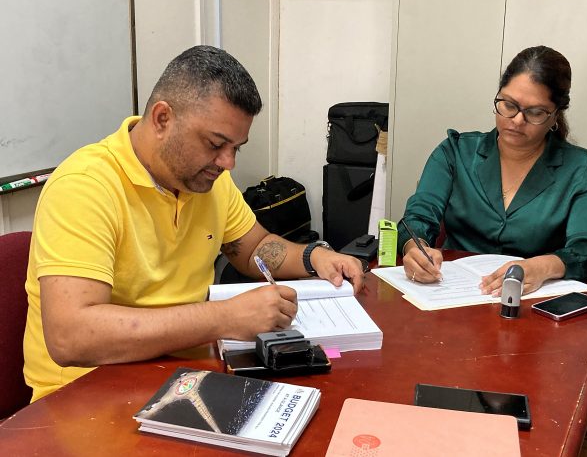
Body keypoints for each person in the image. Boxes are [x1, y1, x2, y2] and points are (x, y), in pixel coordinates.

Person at [23, 45, 364, 401]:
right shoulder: (85, 186)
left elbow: (254, 249)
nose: (228, 162)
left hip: (179, 379)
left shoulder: (206, 180)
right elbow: (71, 337)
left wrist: (315, 258)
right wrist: (224, 318)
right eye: (216, 144)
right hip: (84, 396)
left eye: (237, 147)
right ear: (162, 119)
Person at [398, 46, 587, 295]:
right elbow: (418, 218)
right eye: (509, 105)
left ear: (555, 117)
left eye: (536, 112)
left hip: (532, 301)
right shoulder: (455, 153)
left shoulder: (582, 171)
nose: (517, 120)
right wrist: (415, 248)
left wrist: (541, 267)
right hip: (451, 295)